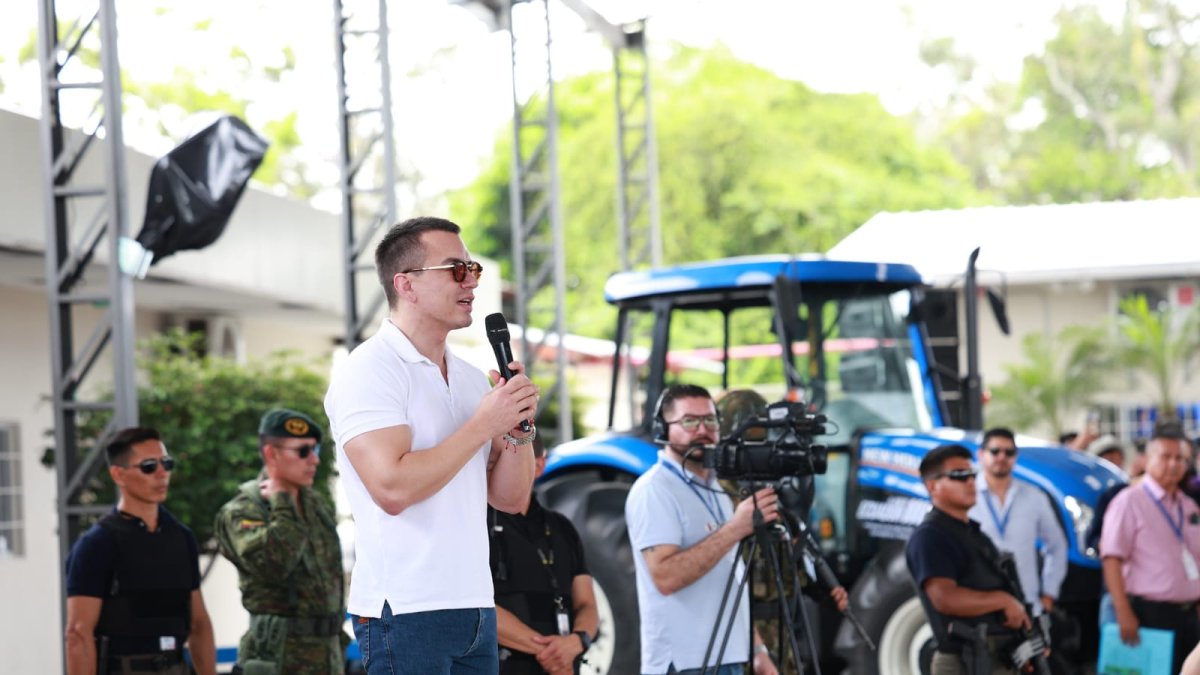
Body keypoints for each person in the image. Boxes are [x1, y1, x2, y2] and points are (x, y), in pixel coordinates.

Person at [324, 216, 540, 674]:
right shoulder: (370, 370)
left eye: (473, 268)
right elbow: (393, 489)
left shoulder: (467, 376)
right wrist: (484, 425)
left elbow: (510, 498)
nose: (472, 282)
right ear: (406, 284)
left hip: (477, 605)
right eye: (456, 269)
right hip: (405, 608)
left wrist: (517, 428)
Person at [625, 384, 779, 675]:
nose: (702, 430)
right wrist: (735, 529)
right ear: (663, 428)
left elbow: (729, 579)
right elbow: (666, 577)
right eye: (689, 421)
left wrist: (757, 650)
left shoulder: (714, 488)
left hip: (727, 656)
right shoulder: (654, 490)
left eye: (710, 420)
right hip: (685, 663)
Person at [64, 427, 217, 675]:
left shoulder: (181, 537)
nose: (161, 474)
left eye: (166, 464)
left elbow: (199, 624)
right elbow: (78, 633)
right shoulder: (98, 543)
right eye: (148, 466)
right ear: (118, 475)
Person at [214, 409, 347, 675]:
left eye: (316, 450)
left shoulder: (316, 504)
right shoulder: (243, 511)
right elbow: (274, 565)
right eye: (303, 451)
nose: (314, 460)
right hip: (278, 658)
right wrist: (283, 504)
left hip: (328, 656)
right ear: (271, 454)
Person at [906, 444, 1032, 675]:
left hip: (997, 655)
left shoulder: (975, 534)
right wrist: (1003, 601)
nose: (971, 482)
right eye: (959, 476)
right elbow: (945, 598)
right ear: (933, 485)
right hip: (967, 660)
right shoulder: (930, 536)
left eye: (972, 475)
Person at [489, 436, 598, 674]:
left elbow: (587, 603)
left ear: (538, 466)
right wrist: (550, 652)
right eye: (493, 460)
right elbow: (476, 606)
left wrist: (576, 642)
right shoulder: (476, 524)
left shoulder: (562, 527)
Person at [1100, 425, 1200, 675]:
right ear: (1147, 460)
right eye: (1166, 457)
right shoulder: (1128, 501)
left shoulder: (1188, 506)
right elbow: (1111, 559)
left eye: (1180, 458)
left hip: (1189, 614)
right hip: (1148, 614)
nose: (1174, 464)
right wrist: (1123, 612)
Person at [966, 428, 1067, 617]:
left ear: (1015, 457)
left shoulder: (1033, 497)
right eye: (995, 451)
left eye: (1009, 452)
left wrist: (1049, 594)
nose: (1002, 457)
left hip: (1028, 606)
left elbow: (1057, 546)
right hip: (980, 605)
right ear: (981, 454)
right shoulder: (966, 495)